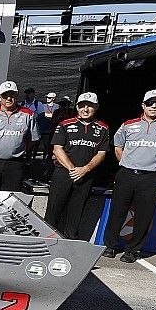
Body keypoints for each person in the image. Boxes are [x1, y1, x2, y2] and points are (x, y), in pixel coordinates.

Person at [102, 89, 156, 263]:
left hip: (152, 177)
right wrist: (127, 163)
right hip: (127, 174)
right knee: (117, 211)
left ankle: (132, 250)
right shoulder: (128, 124)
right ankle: (109, 245)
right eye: (150, 103)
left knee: (144, 215)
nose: (154, 106)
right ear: (143, 105)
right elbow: (117, 147)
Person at [44, 92, 109, 239]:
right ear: (77, 107)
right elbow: (57, 148)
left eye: (90, 106)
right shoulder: (65, 124)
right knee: (54, 209)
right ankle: (47, 240)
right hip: (63, 173)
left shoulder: (103, 128)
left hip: (86, 175)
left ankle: (69, 241)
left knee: (76, 211)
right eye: (82, 106)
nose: (85, 109)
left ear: (96, 107)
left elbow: (102, 153)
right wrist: (72, 169)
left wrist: (85, 169)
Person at [0, 81, 39, 191]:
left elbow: (33, 138)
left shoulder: (28, 115)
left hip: (15, 164)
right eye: (5, 95)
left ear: (17, 96)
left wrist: (21, 150)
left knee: (10, 198)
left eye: (12, 95)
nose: (9, 98)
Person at [33, 92, 59, 161]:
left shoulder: (57, 106)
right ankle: (33, 159)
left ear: (53, 99)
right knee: (36, 144)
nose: (47, 99)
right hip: (40, 128)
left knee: (46, 145)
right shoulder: (42, 106)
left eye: (49, 98)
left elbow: (56, 116)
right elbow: (39, 115)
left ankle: (45, 159)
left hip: (49, 130)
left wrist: (47, 115)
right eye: (47, 97)